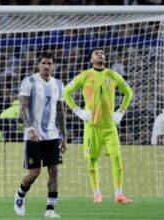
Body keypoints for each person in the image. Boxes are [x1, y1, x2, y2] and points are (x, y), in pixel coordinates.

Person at [64, 48, 133, 204]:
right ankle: (97, 193)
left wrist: (121, 111)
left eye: (102, 52)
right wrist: (77, 111)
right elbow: (66, 92)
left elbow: (129, 92)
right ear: (91, 60)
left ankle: (119, 194)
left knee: (117, 158)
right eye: (96, 53)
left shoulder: (113, 75)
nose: (100, 54)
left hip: (110, 127)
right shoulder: (85, 76)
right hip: (92, 127)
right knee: (92, 161)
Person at [14, 52, 67, 218]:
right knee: (34, 173)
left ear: (54, 65)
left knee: (54, 170)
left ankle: (50, 210)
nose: (46, 66)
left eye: (50, 63)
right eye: (44, 63)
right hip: (33, 135)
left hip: (52, 135)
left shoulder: (58, 84)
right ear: (38, 65)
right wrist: (30, 130)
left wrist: (64, 136)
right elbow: (22, 108)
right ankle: (20, 195)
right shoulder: (29, 81)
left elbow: (60, 111)